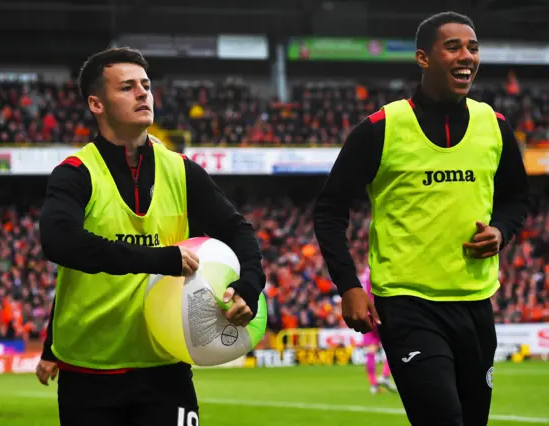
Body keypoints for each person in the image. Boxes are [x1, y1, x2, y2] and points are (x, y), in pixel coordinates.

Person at [313, 11, 529, 426]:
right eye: (453, 47)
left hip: (475, 302)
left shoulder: (495, 126)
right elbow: (329, 209)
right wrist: (348, 287)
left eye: (473, 47)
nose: (466, 56)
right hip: (408, 306)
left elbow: (516, 200)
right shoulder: (380, 128)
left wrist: (501, 232)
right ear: (423, 58)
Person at [34, 47, 266, 426]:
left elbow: (238, 231)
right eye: (127, 87)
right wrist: (160, 258)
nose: (143, 93)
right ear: (97, 103)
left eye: (146, 85)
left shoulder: (182, 170)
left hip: (165, 367)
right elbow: (60, 244)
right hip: (90, 372)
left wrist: (251, 286)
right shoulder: (75, 172)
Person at [358, 264, 396, 395]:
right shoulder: (376, 270)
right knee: (394, 344)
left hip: (365, 313)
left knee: (371, 350)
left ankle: (373, 385)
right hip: (377, 312)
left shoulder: (364, 273)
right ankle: (385, 375)